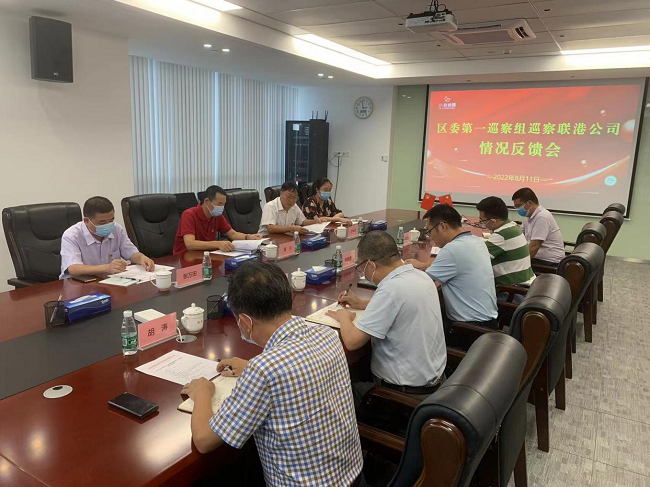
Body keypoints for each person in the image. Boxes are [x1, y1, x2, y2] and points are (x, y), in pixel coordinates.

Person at [180, 262, 364, 486]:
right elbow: (296, 367)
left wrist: (202, 393)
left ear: (245, 322)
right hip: (355, 477)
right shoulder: (327, 335)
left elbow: (204, 440)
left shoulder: (264, 370)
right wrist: (250, 366)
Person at [327, 231, 447, 406]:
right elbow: (401, 304)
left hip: (402, 396)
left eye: (362, 267)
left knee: (334, 390)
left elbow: (352, 342)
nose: (363, 272)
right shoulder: (420, 276)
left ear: (371, 265)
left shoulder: (390, 289)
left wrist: (344, 317)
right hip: (436, 385)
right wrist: (360, 303)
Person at [407, 205, 498, 328]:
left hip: (468, 328)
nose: (430, 237)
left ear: (442, 226)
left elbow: (422, 283)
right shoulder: (476, 241)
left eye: (429, 231)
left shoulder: (452, 249)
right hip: (488, 321)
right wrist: (424, 266)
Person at [60, 196, 154, 279]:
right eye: (102, 222)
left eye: (111, 220)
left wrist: (142, 258)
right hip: (79, 284)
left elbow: (131, 253)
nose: (108, 225)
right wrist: (107, 268)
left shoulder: (117, 229)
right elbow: (73, 268)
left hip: (110, 281)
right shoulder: (72, 235)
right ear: (86, 221)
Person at [476, 196, 535, 301]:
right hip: (527, 288)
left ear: (493, 221)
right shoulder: (512, 226)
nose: (482, 223)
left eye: (482, 221)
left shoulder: (502, 235)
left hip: (513, 293)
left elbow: (477, 260)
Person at [173, 185, 262, 254]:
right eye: (219, 204)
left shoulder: (216, 215)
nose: (222, 207)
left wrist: (248, 237)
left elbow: (232, 234)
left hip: (206, 255)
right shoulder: (189, 214)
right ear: (207, 201)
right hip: (185, 257)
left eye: (223, 204)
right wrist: (218, 244)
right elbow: (190, 244)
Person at [512, 187, 565, 266]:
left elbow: (534, 247)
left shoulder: (542, 217)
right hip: (539, 258)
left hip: (548, 262)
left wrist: (518, 266)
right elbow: (519, 234)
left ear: (529, 203)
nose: (518, 209)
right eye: (516, 207)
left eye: (519, 206)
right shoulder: (530, 216)